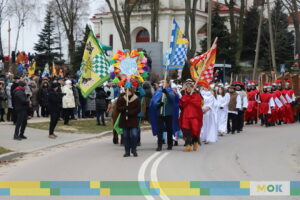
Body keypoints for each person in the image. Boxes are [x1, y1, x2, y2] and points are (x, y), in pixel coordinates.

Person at [149, 79, 178, 151]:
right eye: (162, 82)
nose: (163, 83)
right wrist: (159, 104)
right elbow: (154, 102)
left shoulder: (171, 91)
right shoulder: (158, 91)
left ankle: (170, 144)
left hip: (169, 113)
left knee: (169, 129)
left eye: (164, 82)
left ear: (168, 84)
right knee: (160, 130)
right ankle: (159, 145)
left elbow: (172, 99)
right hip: (160, 113)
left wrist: (166, 93)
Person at [179, 79, 203, 152]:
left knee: (195, 131)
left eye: (191, 87)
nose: (189, 88)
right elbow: (181, 105)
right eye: (188, 87)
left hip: (195, 117)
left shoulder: (197, 96)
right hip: (185, 117)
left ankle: (195, 141)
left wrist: (190, 100)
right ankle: (188, 145)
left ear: (193, 88)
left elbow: (199, 104)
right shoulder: (184, 96)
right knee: (187, 131)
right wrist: (185, 100)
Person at [116, 87, 141, 157]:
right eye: (126, 90)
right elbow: (118, 108)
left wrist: (130, 113)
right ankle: (127, 151)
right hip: (125, 121)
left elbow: (138, 109)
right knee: (126, 136)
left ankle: (133, 149)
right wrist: (124, 108)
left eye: (128, 90)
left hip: (133, 120)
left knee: (134, 135)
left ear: (131, 91)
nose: (127, 92)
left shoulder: (136, 99)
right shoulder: (121, 99)